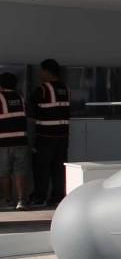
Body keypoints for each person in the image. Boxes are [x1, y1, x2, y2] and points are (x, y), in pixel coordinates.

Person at [30, 59, 71, 206]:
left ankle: (39, 197)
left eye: (41, 71)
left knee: (42, 167)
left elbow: (31, 109)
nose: (40, 74)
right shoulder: (65, 89)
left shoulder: (42, 89)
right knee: (59, 168)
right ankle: (57, 198)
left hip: (45, 136)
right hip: (63, 136)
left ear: (47, 72)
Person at [0, 73, 30, 210]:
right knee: (20, 171)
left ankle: (7, 201)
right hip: (21, 141)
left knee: (4, 172)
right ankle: (21, 201)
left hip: (3, 142)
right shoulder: (20, 97)